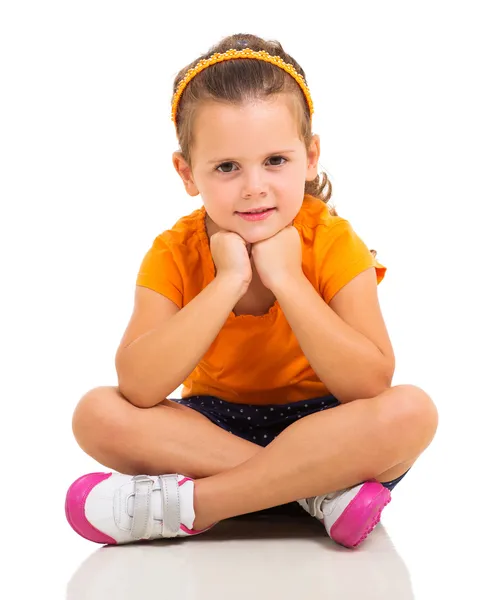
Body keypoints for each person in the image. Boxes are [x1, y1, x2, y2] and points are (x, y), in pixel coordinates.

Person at [65, 33, 438, 549]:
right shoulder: (174, 252)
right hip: (210, 431)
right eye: (226, 167)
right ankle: (319, 496)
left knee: (412, 411)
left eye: (275, 161)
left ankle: (195, 505)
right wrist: (228, 281)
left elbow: (370, 384)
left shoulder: (332, 241)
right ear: (186, 173)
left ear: (310, 157)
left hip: (330, 427)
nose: (254, 186)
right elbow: (139, 386)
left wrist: (287, 279)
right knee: (97, 413)